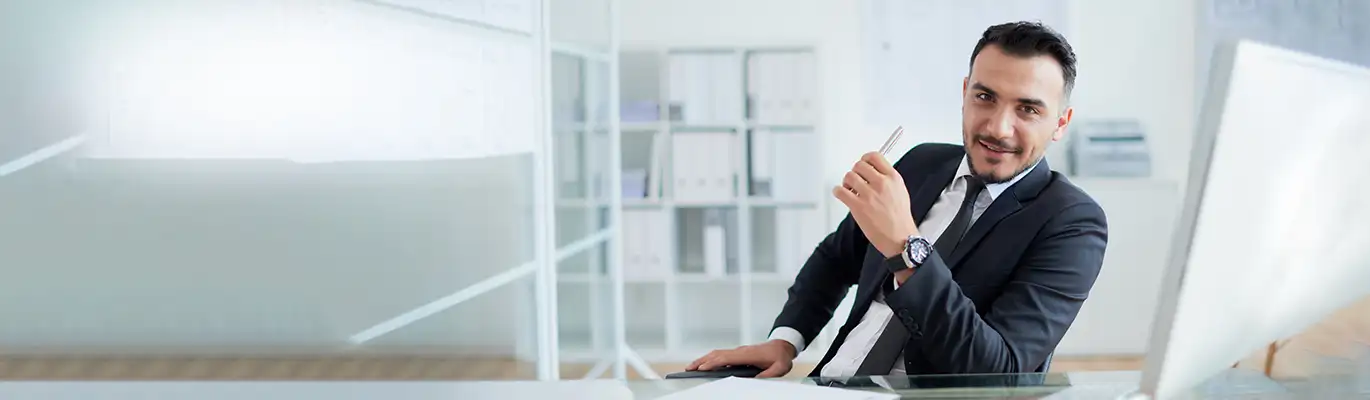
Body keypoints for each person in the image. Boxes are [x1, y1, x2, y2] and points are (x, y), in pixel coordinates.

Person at [686, 21, 1107, 379]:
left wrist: (906, 249)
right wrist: (785, 340)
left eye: (1028, 110)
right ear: (964, 93)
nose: (998, 127)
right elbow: (835, 259)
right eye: (985, 97)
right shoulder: (921, 164)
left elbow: (997, 371)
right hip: (827, 387)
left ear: (1060, 123)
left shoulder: (1072, 222)